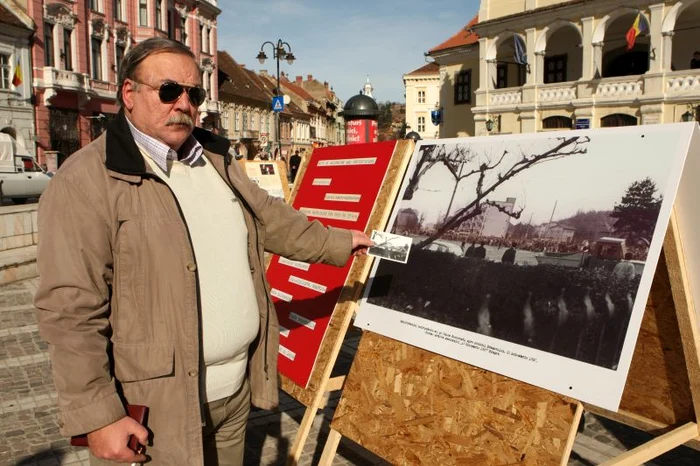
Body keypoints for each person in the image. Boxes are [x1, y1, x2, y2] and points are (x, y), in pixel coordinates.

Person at [34, 37, 372, 466]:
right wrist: (99, 416)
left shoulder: (215, 157)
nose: (183, 103)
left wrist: (343, 241)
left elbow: (273, 219)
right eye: (168, 90)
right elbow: (70, 310)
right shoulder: (86, 180)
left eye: (193, 93)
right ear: (129, 94)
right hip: (160, 407)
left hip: (234, 394)